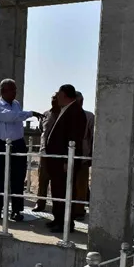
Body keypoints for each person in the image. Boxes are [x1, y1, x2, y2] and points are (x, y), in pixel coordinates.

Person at [0, 79, 43, 222]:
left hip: (18, 144)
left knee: (18, 178)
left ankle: (16, 210)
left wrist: (25, 114)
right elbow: (9, 117)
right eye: (12, 90)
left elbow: (17, 116)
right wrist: (30, 113)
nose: (15, 92)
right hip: (3, 144)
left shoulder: (17, 104)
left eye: (15, 90)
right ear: (3, 91)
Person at [45, 84, 87, 232]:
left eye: (59, 94)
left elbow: (73, 139)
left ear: (65, 95)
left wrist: (66, 160)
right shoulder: (65, 110)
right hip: (56, 160)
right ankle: (58, 218)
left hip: (64, 161)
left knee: (65, 191)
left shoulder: (76, 112)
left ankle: (66, 223)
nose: (57, 97)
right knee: (57, 190)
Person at [32, 93, 61, 212]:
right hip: (44, 152)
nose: (53, 100)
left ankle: (57, 206)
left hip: (58, 154)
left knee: (57, 182)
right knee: (42, 179)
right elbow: (41, 130)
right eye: (52, 98)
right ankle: (40, 203)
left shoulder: (64, 114)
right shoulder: (45, 114)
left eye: (56, 98)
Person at [73, 91, 95, 218]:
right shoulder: (66, 115)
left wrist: (91, 155)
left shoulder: (89, 116)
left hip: (83, 155)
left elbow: (93, 137)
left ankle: (79, 210)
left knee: (81, 184)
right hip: (69, 155)